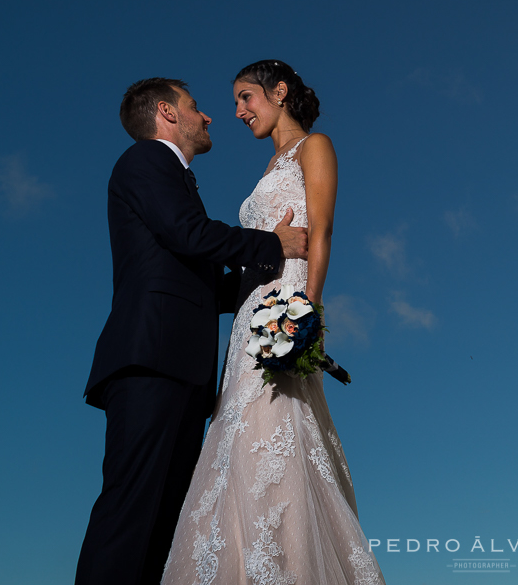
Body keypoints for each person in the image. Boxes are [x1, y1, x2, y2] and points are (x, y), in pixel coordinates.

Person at [77, 78, 309, 585]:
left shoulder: (177, 180)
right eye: (196, 107)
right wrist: (271, 246)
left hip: (183, 370)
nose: (208, 118)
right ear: (166, 112)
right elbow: (189, 233)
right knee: (131, 509)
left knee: (166, 523)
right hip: (149, 361)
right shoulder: (146, 160)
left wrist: (279, 290)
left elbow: (202, 282)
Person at [161, 60, 385, 585]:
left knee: (278, 425)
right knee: (240, 437)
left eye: (246, 98)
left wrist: (306, 313)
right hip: (247, 319)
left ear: (279, 92)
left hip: (286, 309)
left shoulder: (316, 147)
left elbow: (322, 232)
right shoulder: (268, 167)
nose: (238, 112)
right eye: (236, 102)